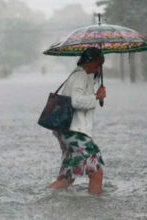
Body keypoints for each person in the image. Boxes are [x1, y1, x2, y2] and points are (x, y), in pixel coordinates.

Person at [48, 47, 106, 195]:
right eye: (98, 64)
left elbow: (78, 99)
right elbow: (77, 101)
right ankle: (96, 210)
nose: (98, 68)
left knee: (66, 178)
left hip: (67, 131)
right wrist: (96, 97)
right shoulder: (81, 75)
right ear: (90, 61)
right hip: (75, 132)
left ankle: (45, 197)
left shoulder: (80, 75)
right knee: (96, 173)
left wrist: (95, 95)